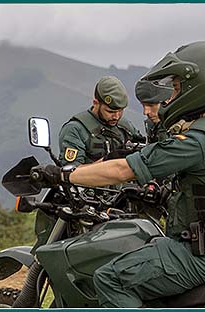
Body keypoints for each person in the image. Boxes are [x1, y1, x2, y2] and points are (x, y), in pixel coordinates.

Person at [32, 41, 205, 307]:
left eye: (177, 88)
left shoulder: (197, 141)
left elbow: (123, 169)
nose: (171, 96)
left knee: (111, 278)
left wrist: (64, 175)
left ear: (200, 88)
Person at [31, 76, 142, 250]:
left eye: (120, 111)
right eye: (111, 111)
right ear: (96, 103)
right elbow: (72, 172)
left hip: (122, 202)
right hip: (87, 204)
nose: (116, 116)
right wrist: (108, 161)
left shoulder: (124, 126)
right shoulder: (76, 129)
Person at [134, 76, 174, 143]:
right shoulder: (152, 126)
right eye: (143, 105)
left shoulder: (185, 127)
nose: (145, 112)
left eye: (151, 105)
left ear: (168, 101)